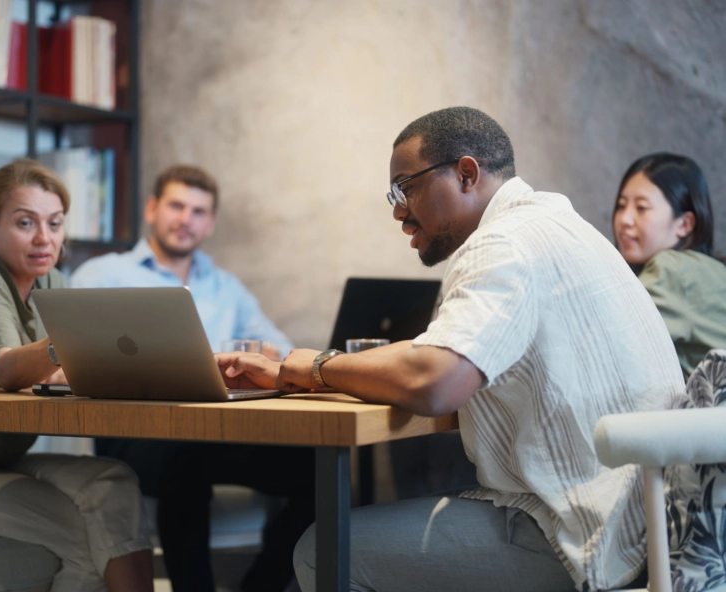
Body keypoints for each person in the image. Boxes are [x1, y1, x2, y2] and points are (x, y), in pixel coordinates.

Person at [217, 107, 685, 592]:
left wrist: (316, 366)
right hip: (646, 524)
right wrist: (293, 370)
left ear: (466, 173)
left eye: (406, 187)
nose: (398, 211)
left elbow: (436, 382)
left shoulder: (502, 244)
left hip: (586, 537)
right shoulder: (554, 226)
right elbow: (429, 353)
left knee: (323, 551)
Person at [71, 164, 313, 592]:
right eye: (176, 206)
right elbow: (70, 357)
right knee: (186, 460)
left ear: (211, 222)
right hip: (133, 433)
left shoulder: (225, 286)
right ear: (152, 208)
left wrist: (254, 357)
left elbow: (281, 348)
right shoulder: (103, 275)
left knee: (319, 468)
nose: (186, 219)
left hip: (217, 432)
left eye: (198, 211)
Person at [0, 158, 153, 592]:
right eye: (26, 223)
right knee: (89, 538)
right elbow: (4, 368)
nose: (44, 239)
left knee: (112, 481)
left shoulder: (53, 284)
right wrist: (71, 344)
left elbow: (65, 371)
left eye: (55, 223)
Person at [613, 153, 726, 379]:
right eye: (621, 205)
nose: (625, 219)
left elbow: (609, 338)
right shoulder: (708, 269)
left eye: (641, 208)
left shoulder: (674, 269)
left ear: (684, 224)